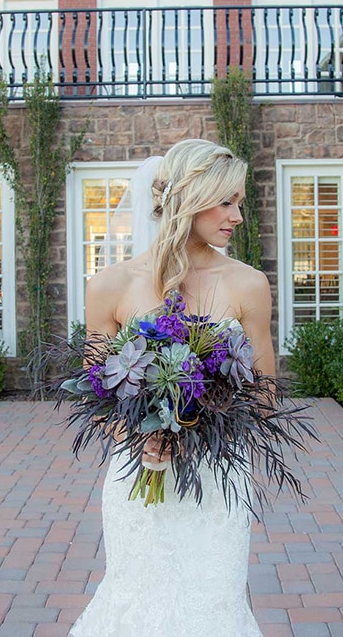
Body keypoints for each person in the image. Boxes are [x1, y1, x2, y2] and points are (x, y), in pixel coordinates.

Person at [69, 138, 274, 637]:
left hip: (215, 478)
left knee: (212, 605)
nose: (237, 217)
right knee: (136, 602)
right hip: (139, 475)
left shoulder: (248, 284)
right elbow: (97, 399)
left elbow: (266, 397)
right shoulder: (109, 286)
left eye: (239, 203)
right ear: (189, 197)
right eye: (227, 201)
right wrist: (141, 435)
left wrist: (198, 419)